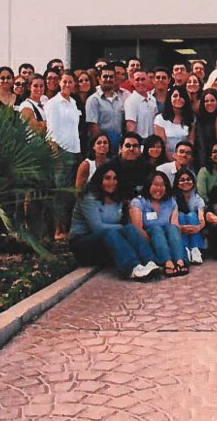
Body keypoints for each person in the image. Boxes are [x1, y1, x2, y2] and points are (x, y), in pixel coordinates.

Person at [68, 162, 159, 280]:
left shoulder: (117, 198)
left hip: (107, 244)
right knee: (112, 231)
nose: (112, 182)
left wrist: (126, 227)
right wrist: (122, 228)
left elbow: (124, 225)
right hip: (84, 245)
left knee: (130, 228)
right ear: (99, 179)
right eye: (107, 178)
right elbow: (97, 228)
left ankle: (150, 262)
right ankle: (132, 268)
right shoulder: (89, 198)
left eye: (115, 179)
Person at [129, 172, 189, 277]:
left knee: (173, 228)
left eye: (162, 185)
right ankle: (167, 262)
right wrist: (156, 241)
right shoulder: (139, 202)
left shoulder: (171, 201)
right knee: (156, 229)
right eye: (155, 185)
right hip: (150, 239)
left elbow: (175, 224)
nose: (159, 188)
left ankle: (180, 261)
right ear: (148, 186)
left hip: (169, 240)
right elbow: (138, 230)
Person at [45, 70, 82, 235]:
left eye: (70, 82)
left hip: (74, 151)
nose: (67, 85)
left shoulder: (73, 102)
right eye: (64, 81)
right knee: (60, 192)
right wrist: (56, 155)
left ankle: (68, 227)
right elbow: (51, 132)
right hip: (61, 152)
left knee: (70, 194)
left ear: (74, 84)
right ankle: (58, 229)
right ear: (59, 83)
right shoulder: (53, 103)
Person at [86, 65, 125, 151]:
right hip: (102, 144)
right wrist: (103, 144)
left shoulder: (119, 99)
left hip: (117, 142)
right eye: (105, 77)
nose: (108, 79)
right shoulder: (93, 99)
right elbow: (93, 126)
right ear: (99, 79)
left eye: (111, 77)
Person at [173, 168, 205, 264]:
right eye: (182, 180)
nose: (186, 182)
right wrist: (181, 228)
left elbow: (201, 218)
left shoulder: (197, 199)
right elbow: (173, 219)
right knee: (181, 216)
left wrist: (198, 228)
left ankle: (195, 250)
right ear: (177, 183)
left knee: (192, 215)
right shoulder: (173, 199)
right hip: (179, 227)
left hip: (195, 228)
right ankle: (185, 249)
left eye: (188, 179)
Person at [154, 85, 195, 158]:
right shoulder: (160, 119)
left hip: (185, 158)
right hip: (166, 159)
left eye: (181, 96)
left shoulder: (192, 118)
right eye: (175, 96)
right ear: (170, 98)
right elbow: (161, 145)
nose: (178, 98)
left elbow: (191, 141)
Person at [110, 132, 152, 199]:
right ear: (121, 148)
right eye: (128, 146)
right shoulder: (110, 166)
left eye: (135, 146)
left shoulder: (148, 167)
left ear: (140, 149)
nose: (131, 149)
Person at [123, 69, 157, 139]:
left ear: (147, 80)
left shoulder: (153, 99)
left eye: (143, 79)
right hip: (139, 141)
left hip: (152, 141)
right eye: (137, 80)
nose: (140, 82)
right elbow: (130, 127)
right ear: (132, 82)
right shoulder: (130, 101)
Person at [195, 88, 217, 167]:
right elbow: (201, 146)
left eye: (212, 100)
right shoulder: (200, 121)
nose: (209, 103)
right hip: (206, 164)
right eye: (206, 101)